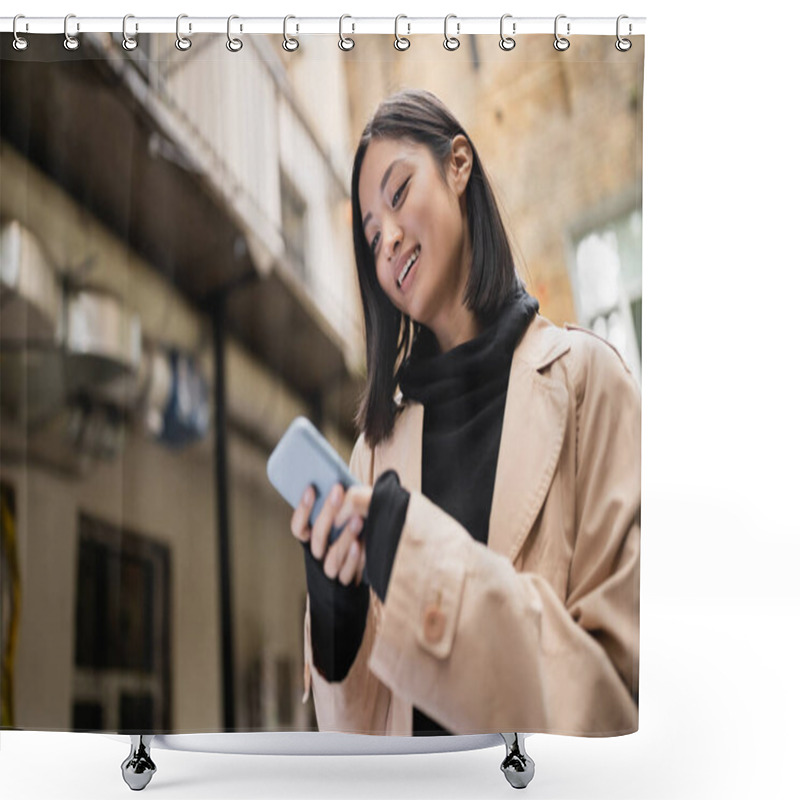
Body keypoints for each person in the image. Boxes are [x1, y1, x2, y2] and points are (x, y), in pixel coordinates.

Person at [290, 88, 640, 737]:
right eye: (370, 235)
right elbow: (363, 743)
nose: (388, 238)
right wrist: (337, 629)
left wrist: (418, 562)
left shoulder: (591, 382)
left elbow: (618, 700)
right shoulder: (373, 452)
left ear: (458, 164)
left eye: (398, 194)